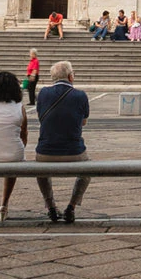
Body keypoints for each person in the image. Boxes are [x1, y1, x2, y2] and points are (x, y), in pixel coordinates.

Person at [32, 61, 92, 224]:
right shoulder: (81, 95)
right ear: (70, 76)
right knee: (88, 169)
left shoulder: (43, 93)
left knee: (41, 171)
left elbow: (40, 117)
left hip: (45, 152)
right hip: (75, 152)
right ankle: (71, 206)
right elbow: (84, 122)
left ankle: (51, 206)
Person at [0, 70, 30, 221]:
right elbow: (24, 133)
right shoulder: (19, 107)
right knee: (13, 156)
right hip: (14, 154)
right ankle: (4, 204)